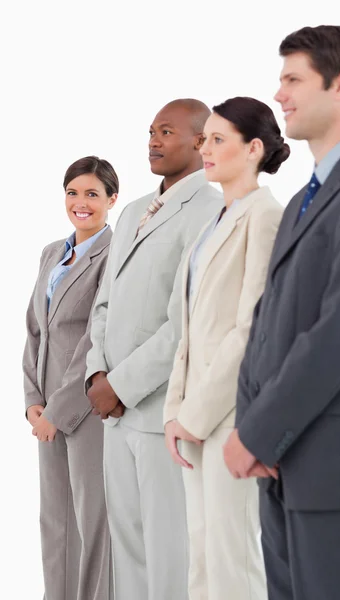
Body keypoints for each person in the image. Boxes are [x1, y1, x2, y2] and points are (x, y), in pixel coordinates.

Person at [223, 25, 340, 600]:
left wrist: (258, 432)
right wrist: (254, 428)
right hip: (281, 464)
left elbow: (339, 334)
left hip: (334, 467)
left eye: (293, 79)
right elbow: (269, 321)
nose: (280, 95)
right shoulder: (303, 199)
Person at [85, 99, 223, 600]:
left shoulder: (212, 210)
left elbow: (185, 322)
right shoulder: (130, 211)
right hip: (113, 415)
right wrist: (96, 376)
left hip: (161, 413)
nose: (153, 141)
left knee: (170, 554)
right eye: (150, 131)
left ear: (201, 141)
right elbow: (104, 303)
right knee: (127, 553)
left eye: (166, 132)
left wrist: (120, 385)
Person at [164, 96, 288, 600]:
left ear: (254, 148)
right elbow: (189, 328)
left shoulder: (265, 216)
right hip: (194, 418)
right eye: (204, 138)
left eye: (218, 139)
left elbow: (250, 330)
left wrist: (193, 414)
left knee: (232, 559)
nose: (205, 147)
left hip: (232, 416)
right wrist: (177, 411)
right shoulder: (215, 221)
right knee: (202, 556)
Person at [23, 156, 118, 600]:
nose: (81, 203)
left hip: (87, 409)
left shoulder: (113, 255)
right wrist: (33, 401)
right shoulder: (51, 253)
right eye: (73, 193)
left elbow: (95, 342)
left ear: (111, 200)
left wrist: (58, 411)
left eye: (92, 194)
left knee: (92, 518)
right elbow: (34, 330)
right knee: (55, 521)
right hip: (47, 410)